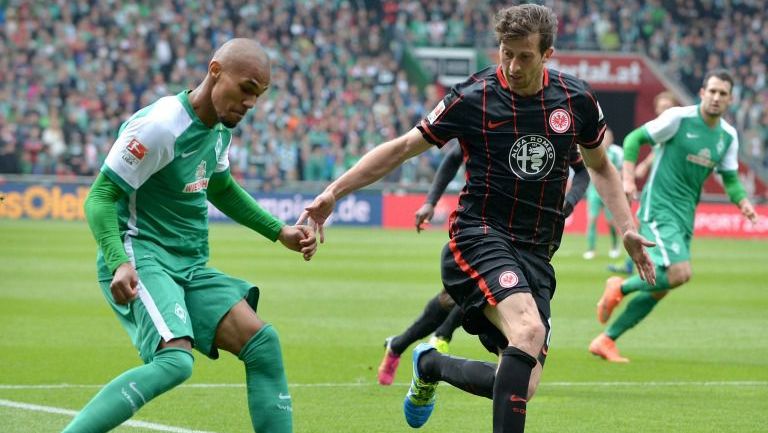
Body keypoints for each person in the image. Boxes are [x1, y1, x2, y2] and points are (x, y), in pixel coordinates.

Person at [300, 5, 655, 432]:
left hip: (537, 251)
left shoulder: (575, 99)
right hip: (479, 235)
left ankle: (431, 364)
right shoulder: (474, 96)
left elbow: (598, 167)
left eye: (525, 56)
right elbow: (401, 148)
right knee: (527, 330)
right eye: (506, 53)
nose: (513, 65)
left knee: (525, 382)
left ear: (548, 54)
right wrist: (333, 191)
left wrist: (628, 228)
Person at [64, 38, 317, 433]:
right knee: (175, 361)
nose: (251, 104)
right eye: (246, 89)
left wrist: (278, 231)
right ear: (215, 71)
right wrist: (119, 262)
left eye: (259, 95)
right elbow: (100, 196)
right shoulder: (162, 125)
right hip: (142, 254)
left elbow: (221, 188)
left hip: (189, 264)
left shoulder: (219, 129)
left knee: (263, 345)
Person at [378, 140, 591, 386]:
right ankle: (436, 343)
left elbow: (583, 170)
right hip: (486, 232)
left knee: (453, 298)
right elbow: (453, 156)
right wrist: (431, 200)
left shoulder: (552, 128)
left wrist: (569, 201)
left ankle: (403, 345)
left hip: (530, 241)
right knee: (482, 294)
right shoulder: (490, 117)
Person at [589, 70, 759, 363]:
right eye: (713, 91)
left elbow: (729, 177)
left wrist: (742, 201)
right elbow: (634, 139)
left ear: (730, 99)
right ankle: (620, 286)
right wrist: (628, 180)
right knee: (680, 273)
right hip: (660, 207)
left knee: (662, 287)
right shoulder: (678, 118)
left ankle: (606, 339)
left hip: (685, 214)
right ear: (702, 92)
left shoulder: (727, 137)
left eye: (723, 94)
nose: (717, 98)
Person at [607, 91, 678, 274]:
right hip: (659, 186)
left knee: (650, 222)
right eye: (662, 108)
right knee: (646, 222)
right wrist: (644, 166)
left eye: (668, 108)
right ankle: (637, 263)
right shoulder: (658, 128)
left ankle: (653, 261)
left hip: (670, 186)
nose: (665, 111)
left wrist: (644, 166)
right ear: (656, 109)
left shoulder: (674, 127)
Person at [582, 128, 623, 260]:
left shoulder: (616, 152)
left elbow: (620, 171)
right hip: (594, 190)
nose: (606, 140)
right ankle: (591, 249)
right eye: (604, 137)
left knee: (611, 221)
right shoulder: (592, 151)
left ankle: (615, 246)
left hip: (609, 191)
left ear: (611, 139)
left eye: (608, 137)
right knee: (592, 220)